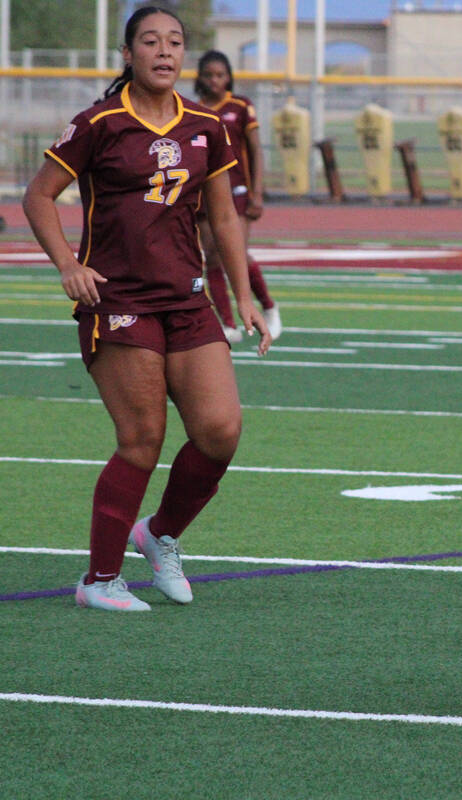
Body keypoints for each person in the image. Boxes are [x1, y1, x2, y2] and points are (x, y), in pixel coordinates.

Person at [22, 6, 271, 611]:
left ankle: (159, 535)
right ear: (128, 53)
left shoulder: (207, 125)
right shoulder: (99, 123)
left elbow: (223, 217)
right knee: (142, 438)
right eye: (151, 42)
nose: (165, 51)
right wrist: (68, 266)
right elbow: (38, 197)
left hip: (187, 299)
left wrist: (244, 296)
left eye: (175, 42)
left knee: (220, 432)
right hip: (120, 300)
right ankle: (99, 581)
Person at [194, 49, 282, 342]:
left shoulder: (241, 106)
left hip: (238, 190)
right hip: (207, 193)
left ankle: (269, 306)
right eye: (208, 75)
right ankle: (228, 324)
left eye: (220, 75)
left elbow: (255, 149)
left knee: (238, 254)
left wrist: (258, 192)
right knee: (213, 256)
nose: (215, 80)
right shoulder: (195, 109)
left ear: (229, 77)